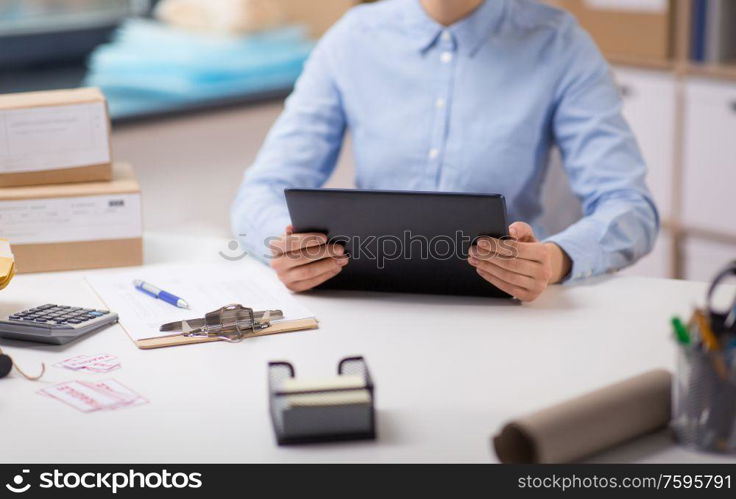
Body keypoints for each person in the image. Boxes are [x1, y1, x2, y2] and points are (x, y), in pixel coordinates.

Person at [231, 0, 658, 302]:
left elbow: (629, 207)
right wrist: (285, 247)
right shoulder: (353, 39)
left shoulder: (559, 42)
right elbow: (260, 191)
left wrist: (553, 259)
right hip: (369, 308)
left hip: (505, 314)